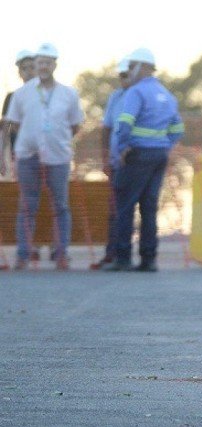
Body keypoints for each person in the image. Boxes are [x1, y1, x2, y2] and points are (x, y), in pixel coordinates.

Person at [3, 43, 84, 270]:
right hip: (28, 156)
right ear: (35, 64)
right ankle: (23, 254)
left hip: (58, 157)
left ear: (54, 65)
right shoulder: (21, 94)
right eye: (39, 63)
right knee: (27, 206)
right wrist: (31, 139)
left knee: (60, 205)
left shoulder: (69, 94)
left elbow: (75, 124)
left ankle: (61, 254)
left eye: (48, 62)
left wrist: (55, 139)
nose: (43, 66)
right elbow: (13, 124)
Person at [107, 47, 183, 272]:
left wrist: (121, 148)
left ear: (143, 67)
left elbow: (125, 123)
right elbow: (177, 129)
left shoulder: (136, 92)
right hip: (159, 156)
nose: (129, 71)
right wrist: (164, 146)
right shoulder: (167, 95)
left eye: (132, 66)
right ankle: (148, 259)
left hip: (137, 154)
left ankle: (123, 258)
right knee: (149, 207)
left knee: (125, 206)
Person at [95, 56, 132, 269]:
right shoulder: (115, 97)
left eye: (126, 75)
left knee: (131, 208)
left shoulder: (141, 96)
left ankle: (126, 254)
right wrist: (105, 158)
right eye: (121, 75)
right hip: (117, 161)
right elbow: (106, 128)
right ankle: (112, 253)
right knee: (114, 208)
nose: (123, 79)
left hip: (135, 161)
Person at [1, 49, 36, 180]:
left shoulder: (47, 96)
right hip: (20, 155)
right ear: (19, 73)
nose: (29, 72)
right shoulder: (12, 97)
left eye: (32, 67)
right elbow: (4, 130)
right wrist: (1, 158)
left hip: (46, 156)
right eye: (24, 68)